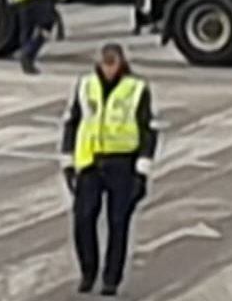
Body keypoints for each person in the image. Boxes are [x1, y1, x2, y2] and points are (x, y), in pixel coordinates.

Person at [60, 42, 158, 296]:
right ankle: (88, 272)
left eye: (113, 63)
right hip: (90, 161)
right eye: (105, 63)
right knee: (83, 220)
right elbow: (72, 123)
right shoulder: (85, 85)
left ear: (121, 63)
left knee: (118, 222)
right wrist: (68, 163)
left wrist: (142, 171)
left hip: (122, 163)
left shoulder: (136, 89)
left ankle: (111, 278)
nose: (108, 69)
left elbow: (148, 130)